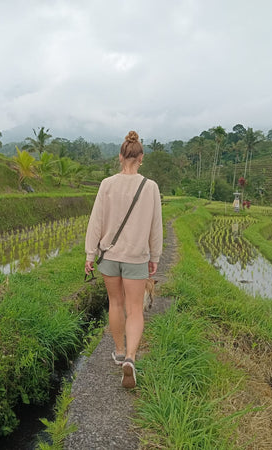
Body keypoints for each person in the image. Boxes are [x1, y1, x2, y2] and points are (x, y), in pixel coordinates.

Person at [85, 130, 163, 388]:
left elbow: (95, 221)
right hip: (136, 257)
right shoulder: (150, 187)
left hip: (109, 256)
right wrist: (155, 255)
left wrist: (90, 254)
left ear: (120, 157)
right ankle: (131, 358)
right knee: (135, 309)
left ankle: (119, 352)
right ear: (141, 158)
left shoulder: (107, 184)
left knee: (115, 304)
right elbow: (156, 225)